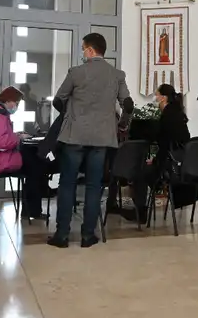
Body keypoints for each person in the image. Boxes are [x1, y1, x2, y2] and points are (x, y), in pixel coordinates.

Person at [47, 33, 134, 248]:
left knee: (67, 184)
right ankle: (88, 235)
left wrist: (69, 115)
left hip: (74, 136)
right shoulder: (117, 75)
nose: (83, 53)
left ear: (90, 50)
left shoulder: (76, 72)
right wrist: (122, 125)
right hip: (102, 139)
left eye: (83, 49)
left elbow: (58, 100)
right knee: (94, 186)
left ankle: (62, 235)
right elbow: (128, 104)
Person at [0, 86, 48, 220]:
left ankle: (32, 207)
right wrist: (19, 138)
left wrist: (15, 135)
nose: (16, 107)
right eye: (16, 103)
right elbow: (0, 143)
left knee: (33, 163)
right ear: (7, 101)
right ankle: (34, 208)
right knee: (36, 165)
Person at [125, 84, 192, 223]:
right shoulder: (178, 114)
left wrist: (155, 161)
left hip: (171, 166)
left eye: (156, 95)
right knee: (146, 169)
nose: (155, 98)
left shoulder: (167, 117)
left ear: (163, 98)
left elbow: (165, 146)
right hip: (183, 163)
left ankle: (140, 212)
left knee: (140, 171)